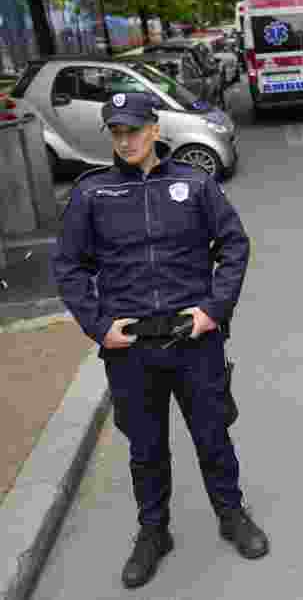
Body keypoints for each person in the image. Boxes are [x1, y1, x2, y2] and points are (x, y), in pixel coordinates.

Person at [52, 92, 268, 589]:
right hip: (131, 350)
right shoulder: (93, 192)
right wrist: (97, 324)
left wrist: (214, 309)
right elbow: (67, 266)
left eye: (133, 129)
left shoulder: (193, 184)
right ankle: (154, 532)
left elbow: (233, 244)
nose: (124, 139)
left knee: (213, 435)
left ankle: (231, 515)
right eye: (116, 131)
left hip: (193, 341)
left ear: (154, 129)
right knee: (146, 448)